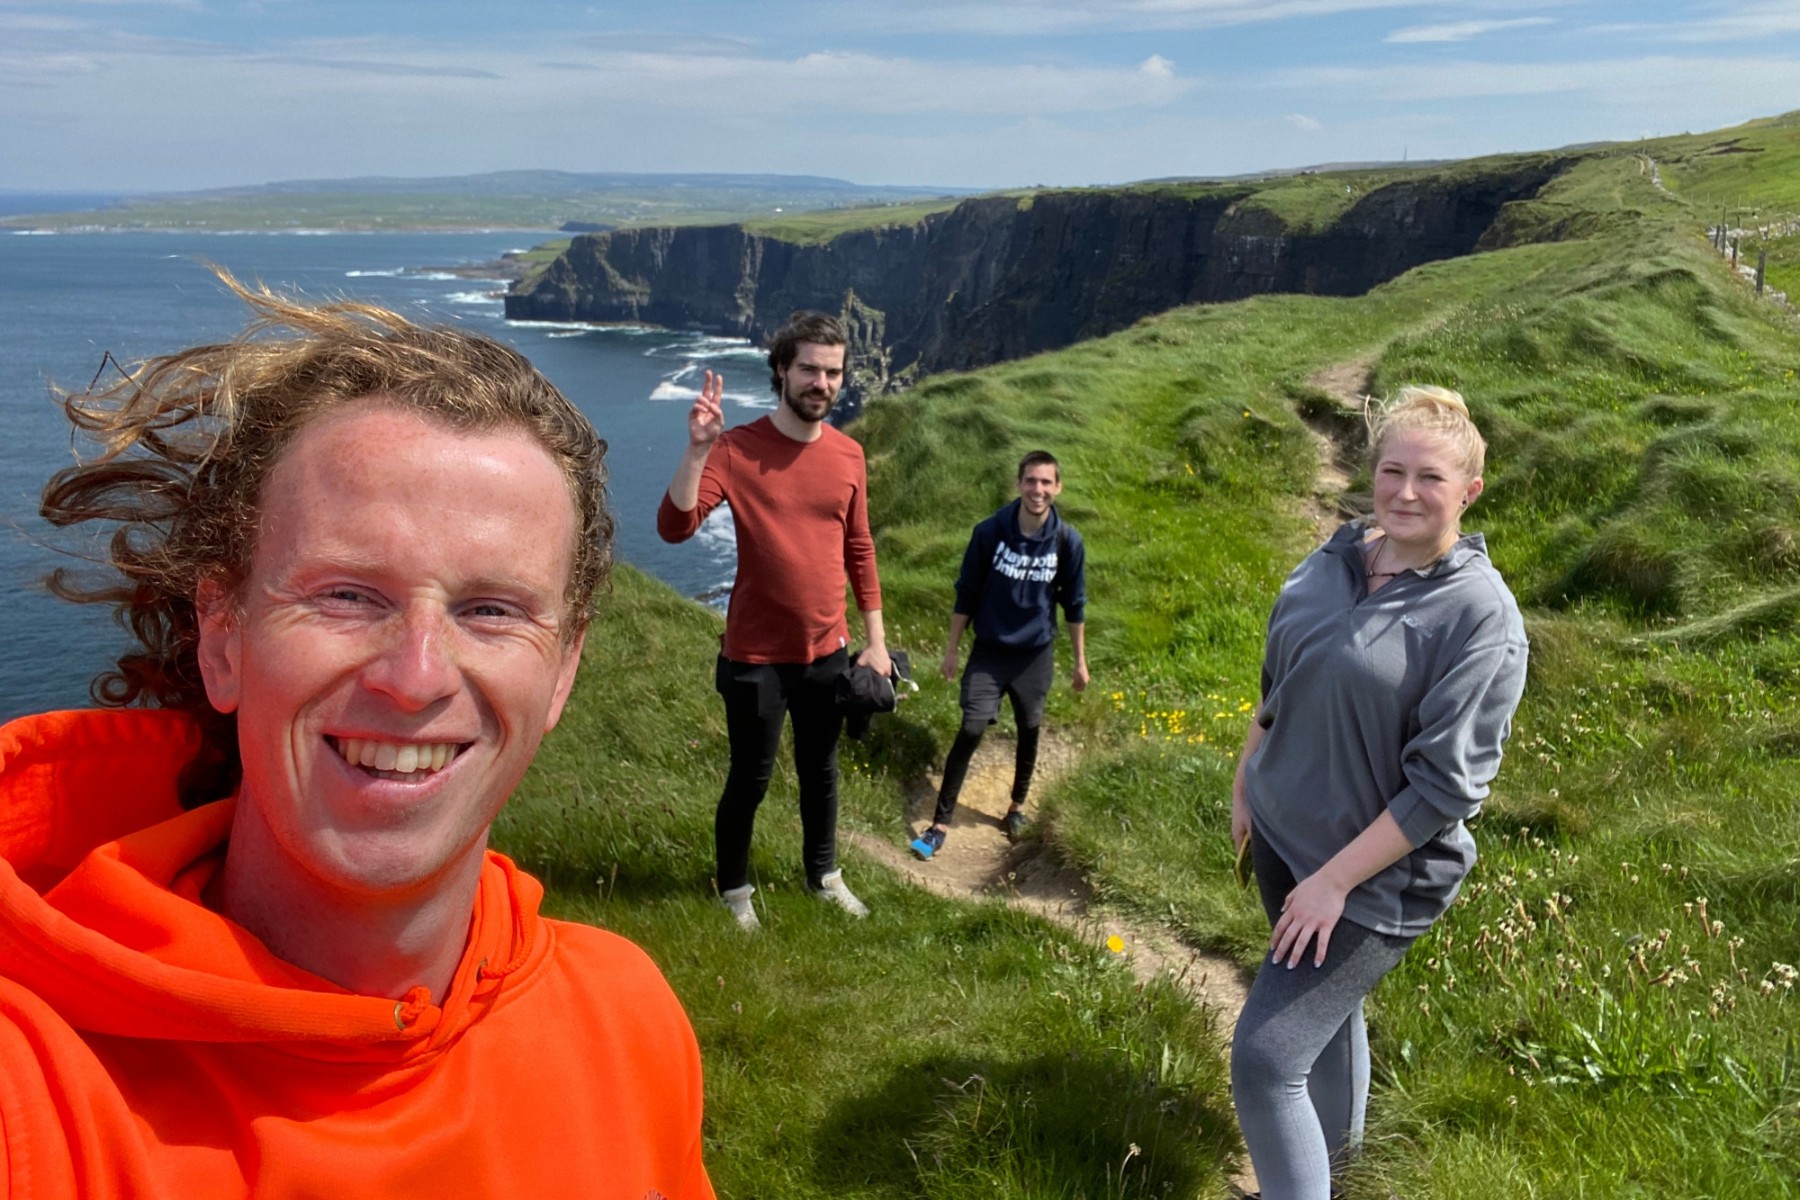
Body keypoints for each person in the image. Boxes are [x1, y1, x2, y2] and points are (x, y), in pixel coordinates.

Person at [0, 275, 714, 1198]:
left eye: (491, 610)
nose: (415, 677)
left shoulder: (627, 1021)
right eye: (346, 595)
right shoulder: (39, 1089)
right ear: (223, 638)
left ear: (564, 669)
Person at [1226, 385, 1528, 1199]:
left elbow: (1444, 790)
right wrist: (1247, 775)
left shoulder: (1479, 616)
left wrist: (1333, 882)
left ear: (1470, 491)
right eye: (1392, 470)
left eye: (1431, 478)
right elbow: (1281, 677)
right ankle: (1338, 1178)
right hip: (1284, 838)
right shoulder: (1334, 558)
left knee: (1266, 1060)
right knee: (1326, 1025)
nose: (1405, 492)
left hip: (1372, 879)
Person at [657, 311, 889, 931]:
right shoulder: (736, 450)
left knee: (822, 773)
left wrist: (876, 643)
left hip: (828, 651)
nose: (822, 383)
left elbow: (860, 548)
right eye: (809, 369)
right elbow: (674, 528)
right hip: (756, 657)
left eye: (833, 372)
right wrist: (698, 450)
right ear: (782, 370)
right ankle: (734, 891)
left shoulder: (848, 454)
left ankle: (824, 877)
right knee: (750, 779)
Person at [911, 450, 1088, 860]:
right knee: (972, 727)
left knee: (1030, 727)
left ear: (1058, 487)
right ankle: (939, 825)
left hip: (1035, 655)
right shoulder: (990, 532)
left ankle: (1016, 808)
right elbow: (967, 592)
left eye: (1046, 482)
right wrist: (952, 649)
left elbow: (1074, 603)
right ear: (1018, 484)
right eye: (1031, 481)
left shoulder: (1067, 541)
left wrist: (1080, 661)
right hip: (989, 651)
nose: (1038, 490)